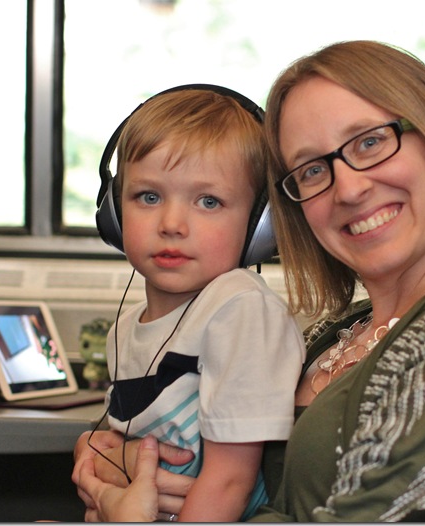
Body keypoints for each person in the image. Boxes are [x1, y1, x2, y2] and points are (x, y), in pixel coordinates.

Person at [74, 40, 425, 522]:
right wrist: (112, 458)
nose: (347, 189)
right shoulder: (329, 334)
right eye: (312, 170)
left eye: (370, 142)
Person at [73, 87, 306, 522]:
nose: (172, 224)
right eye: (149, 196)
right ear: (114, 213)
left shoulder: (240, 308)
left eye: (208, 201)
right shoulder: (124, 329)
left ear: (260, 225)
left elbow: (229, 481)